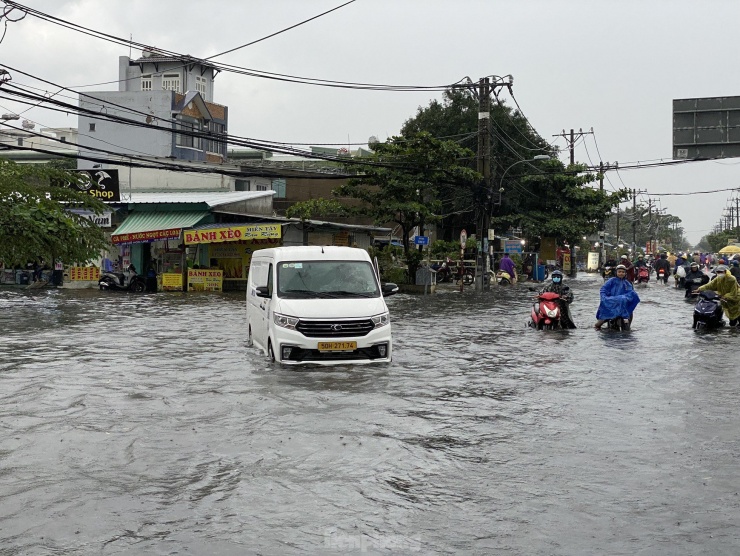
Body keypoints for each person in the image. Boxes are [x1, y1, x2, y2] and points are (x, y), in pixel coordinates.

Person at [594, 264, 641, 329]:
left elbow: (631, 292)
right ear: (616, 272)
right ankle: (598, 325)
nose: (621, 273)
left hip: (623, 303)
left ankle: (628, 326)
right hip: (611, 302)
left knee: (630, 312)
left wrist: (628, 297)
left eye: (623, 272)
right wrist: (604, 297)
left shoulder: (627, 283)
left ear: (625, 273)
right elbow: (603, 289)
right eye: (619, 272)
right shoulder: (611, 281)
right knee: (599, 323)